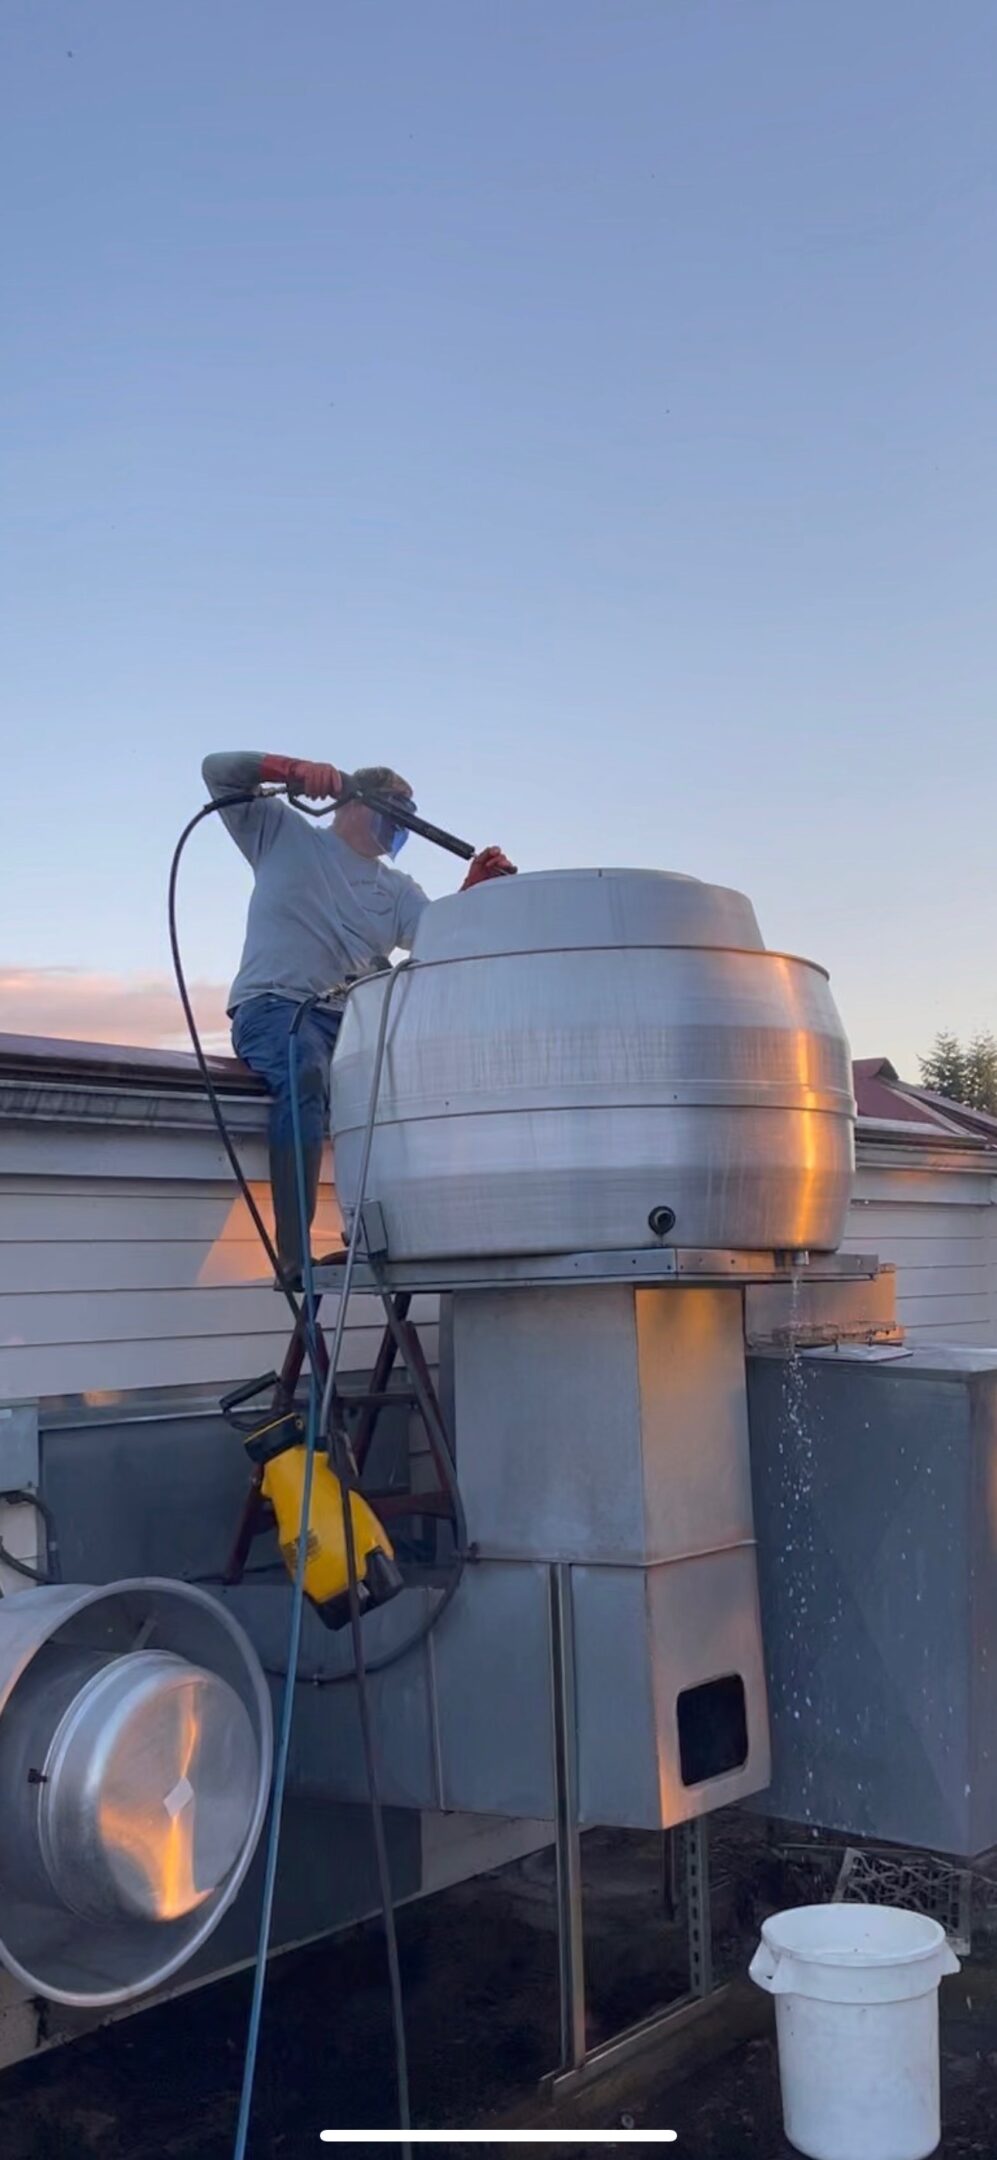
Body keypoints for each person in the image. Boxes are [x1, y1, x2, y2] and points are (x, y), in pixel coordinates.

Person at [203, 749, 515, 1284]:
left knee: (402, 1100)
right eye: (392, 811)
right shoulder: (281, 833)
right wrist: (292, 770)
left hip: (349, 1022)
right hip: (274, 1009)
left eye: (406, 817)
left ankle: (378, 1237)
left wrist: (472, 897)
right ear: (352, 804)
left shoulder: (395, 890)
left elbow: (440, 941)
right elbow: (217, 771)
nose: (398, 827)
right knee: (303, 1074)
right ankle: (294, 1252)